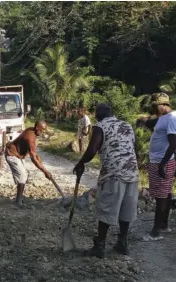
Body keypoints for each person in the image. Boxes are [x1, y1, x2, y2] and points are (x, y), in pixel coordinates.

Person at [73, 103, 139, 258]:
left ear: (97, 114)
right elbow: (130, 147)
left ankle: (99, 247)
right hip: (132, 173)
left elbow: (92, 149)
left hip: (113, 174)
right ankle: (122, 244)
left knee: (106, 209)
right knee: (126, 210)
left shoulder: (100, 126)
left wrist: (81, 163)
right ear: (111, 113)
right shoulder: (126, 125)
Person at [140, 93, 176, 241]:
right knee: (166, 193)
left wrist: (162, 165)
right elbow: (152, 123)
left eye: (155, 106)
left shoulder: (172, 118)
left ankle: (155, 232)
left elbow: (173, 144)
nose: (154, 110)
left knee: (161, 196)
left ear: (163, 105)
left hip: (162, 161)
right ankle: (164, 225)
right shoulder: (164, 117)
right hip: (158, 160)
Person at [5, 120, 52, 206]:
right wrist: (45, 171)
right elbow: (33, 159)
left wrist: (37, 156)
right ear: (37, 128)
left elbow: (33, 153)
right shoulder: (30, 138)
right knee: (22, 175)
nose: (43, 132)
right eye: (42, 130)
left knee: (24, 175)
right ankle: (18, 201)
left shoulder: (31, 130)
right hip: (11, 154)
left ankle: (20, 198)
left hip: (18, 155)